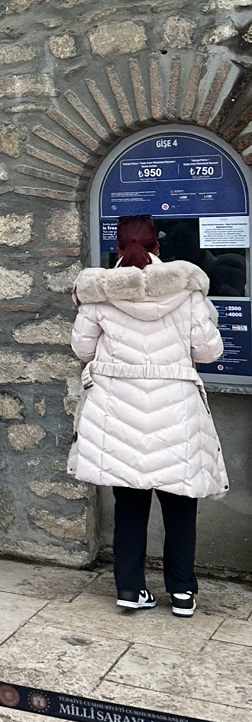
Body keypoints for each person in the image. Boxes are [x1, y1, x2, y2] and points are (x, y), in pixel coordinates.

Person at [68, 214, 225, 618]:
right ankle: (183, 593)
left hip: (118, 410)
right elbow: (209, 352)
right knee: (180, 505)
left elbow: (83, 349)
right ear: (158, 244)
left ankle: (129, 588)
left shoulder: (99, 293)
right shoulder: (187, 291)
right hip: (176, 409)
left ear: (118, 247)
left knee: (130, 505)